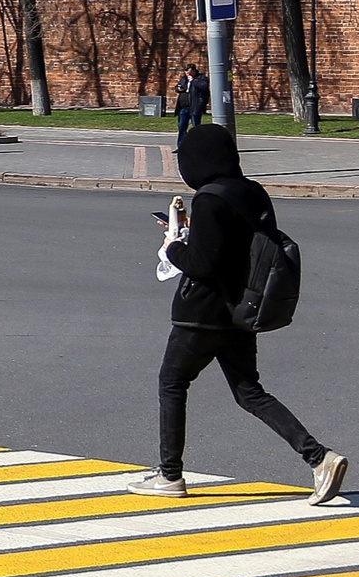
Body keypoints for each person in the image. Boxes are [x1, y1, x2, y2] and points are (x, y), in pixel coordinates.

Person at [134, 123, 347, 505]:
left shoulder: (210, 199)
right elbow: (238, 247)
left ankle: (169, 476)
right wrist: (191, 231)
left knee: (172, 383)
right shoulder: (252, 192)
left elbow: (203, 262)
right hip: (241, 309)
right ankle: (319, 458)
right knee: (249, 392)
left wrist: (172, 245)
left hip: (202, 311)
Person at [175, 65, 209, 141]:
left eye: (190, 72)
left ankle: (197, 145)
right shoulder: (184, 79)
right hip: (183, 107)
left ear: (194, 71)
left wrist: (193, 81)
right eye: (186, 72)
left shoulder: (201, 78)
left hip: (195, 107)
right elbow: (177, 87)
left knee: (196, 127)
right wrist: (179, 88)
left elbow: (204, 87)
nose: (188, 74)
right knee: (182, 127)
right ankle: (181, 146)